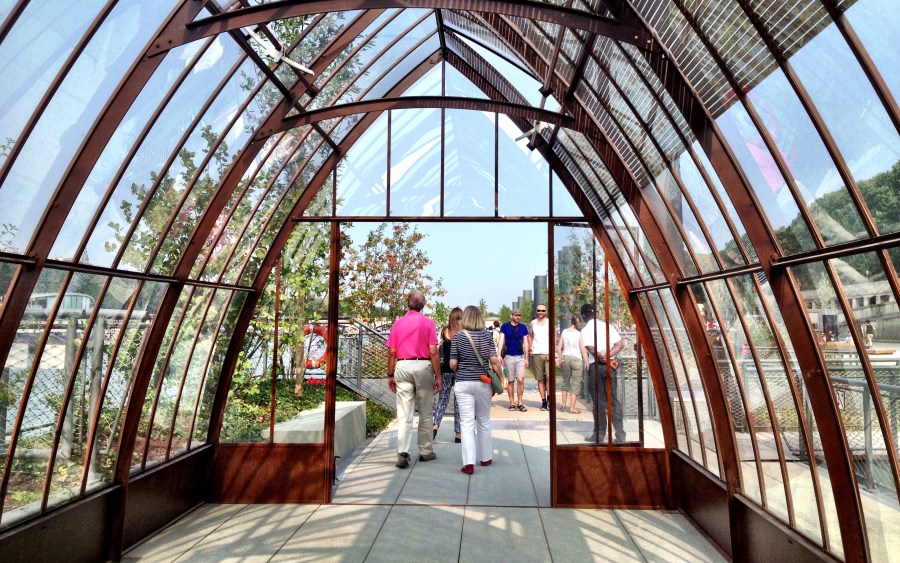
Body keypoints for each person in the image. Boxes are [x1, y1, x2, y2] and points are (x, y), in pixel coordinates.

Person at [385, 291, 442, 468]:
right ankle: (425, 451)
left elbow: (392, 351)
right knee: (425, 411)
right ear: (423, 305)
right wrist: (438, 375)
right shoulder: (428, 323)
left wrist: (390, 374)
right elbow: (433, 351)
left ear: (408, 304)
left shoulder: (398, 323)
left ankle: (403, 452)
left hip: (402, 366)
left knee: (404, 413)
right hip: (423, 366)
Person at [450, 305, 504, 475]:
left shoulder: (458, 337)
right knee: (483, 420)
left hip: (463, 383)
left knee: (466, 423)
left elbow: (452, 364)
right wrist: (501, 377)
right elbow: (494, 360)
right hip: (482, 382)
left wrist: (461, 366)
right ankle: (486, 457)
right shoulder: (487, 336)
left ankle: (468, 463)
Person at [580, 303, 625, 443]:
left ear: (583, 316)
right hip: (610, 366)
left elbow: (592, 349)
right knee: (613, 400)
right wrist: (609, 357)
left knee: (598, 402)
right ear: (596, 314)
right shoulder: (608, 326)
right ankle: (620, 435)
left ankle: (599, 434)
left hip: (596, 366)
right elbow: (619, 344)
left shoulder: (586, 330)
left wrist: (602, 357)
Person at [434, 307, 462, 443]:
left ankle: (435, 425)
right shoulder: (463, 333)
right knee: (458, 403)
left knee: (443, 399)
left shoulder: (444, 331)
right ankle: (458, 434)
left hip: (444, 369)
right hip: (459, 370)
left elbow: (437, 347)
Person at [499, 309, 530, 411]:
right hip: (508, 356)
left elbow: (526, 342)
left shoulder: (523, 327)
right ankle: (512, 402)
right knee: (511, 381)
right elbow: (501, 341)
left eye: (519, 315)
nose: (518, 317)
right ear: (511, 315)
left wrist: (526, 358)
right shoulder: (505, 327)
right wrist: (499, 354)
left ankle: (520, 402)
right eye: (516, 315)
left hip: (520, 356)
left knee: (520, 379)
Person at [557, 315, 588, 414]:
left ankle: (563, 405)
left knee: (565, 382)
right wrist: (587, 362)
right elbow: (583, 350)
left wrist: (561, 359)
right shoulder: (579, 334)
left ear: (571, 321)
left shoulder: (564, 332)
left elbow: (559, 347)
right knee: (575, 385)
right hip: (577, 359)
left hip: (566, 358)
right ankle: (572, 408)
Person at [529, 304, 557, 411]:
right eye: (539, 310)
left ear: (546, 311)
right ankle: (543, 401)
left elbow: (553, 337)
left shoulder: (550, 322)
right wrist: (530, 349)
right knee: (540, 378)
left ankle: (550, 399)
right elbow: (530, 336)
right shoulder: (533, 323)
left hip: (547, 353)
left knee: (549, 377)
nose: (540, 312)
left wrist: (552, 351)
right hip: (537, 353)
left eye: (543, 311)